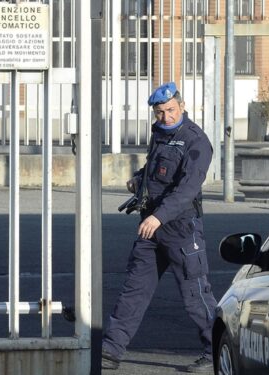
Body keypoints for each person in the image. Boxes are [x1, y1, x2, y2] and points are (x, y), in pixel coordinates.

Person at [101, 82, 218, 373]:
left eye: (170, 110)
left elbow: (187, 189)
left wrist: (159, 217)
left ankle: (215, 351)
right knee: (133, 290)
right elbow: (156, 171)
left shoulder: (196, 140)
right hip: (151, 226)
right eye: (160, 112)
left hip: (180, 228)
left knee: (196, 296)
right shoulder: (160, 134)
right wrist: (139, 179)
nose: (165, 117)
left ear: (182, 106)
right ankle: (110, 350)